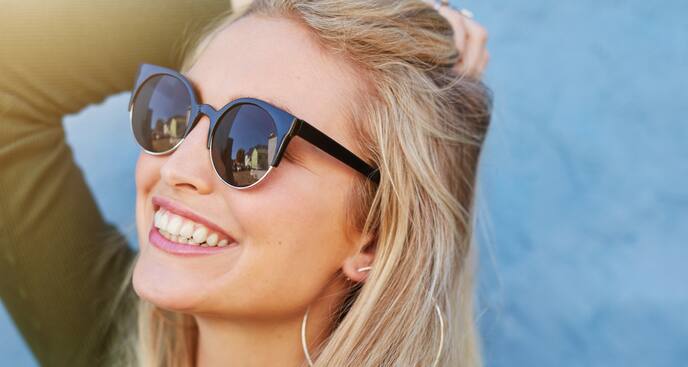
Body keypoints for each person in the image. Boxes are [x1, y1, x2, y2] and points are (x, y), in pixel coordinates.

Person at [0, 0, 492, 366]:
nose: (175, 168)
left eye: (252, 139)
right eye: (175, 109)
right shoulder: (110, 343)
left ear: (376, 236)